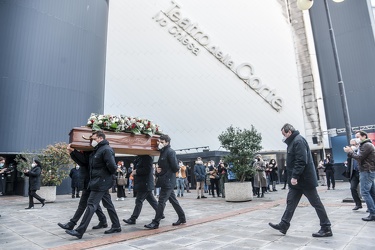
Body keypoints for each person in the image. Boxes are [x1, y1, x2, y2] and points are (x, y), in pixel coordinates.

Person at [269, 123, 332, 237]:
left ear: (289, 132)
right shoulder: (294, 141)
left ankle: (326, 227)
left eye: (284, 134)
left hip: (304, 180)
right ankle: (284, 224)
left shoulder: (298, 141)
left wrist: (294, 176)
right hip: (298, 182)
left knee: (316, 203)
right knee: (291, 203)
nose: (283, 137)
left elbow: (301, 160)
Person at [65, 130, 121, 239]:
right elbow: (84, 162)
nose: (92, 141)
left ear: (101, 138)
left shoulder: (106, 150)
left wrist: (104, 177)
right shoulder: (97, 150)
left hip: (100, 183)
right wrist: (73, 152)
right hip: (96, 182)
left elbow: (113, 167)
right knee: (108, 205)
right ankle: (116, 225)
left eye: (94, 139)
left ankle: (79, 231)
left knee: (91, 205)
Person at [58, 144, 108, 232]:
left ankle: (72, 224)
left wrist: (74, 152)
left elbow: (84, 161)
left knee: (85, 205)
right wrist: (72, 153)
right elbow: (81, 162)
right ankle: (103, 221)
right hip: (88, 182)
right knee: (92, 204)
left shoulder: (91, 151)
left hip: (91, 182)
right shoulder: (87, 151)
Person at [144, 134, 186, 229]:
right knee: (173, 201)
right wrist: (158, 172)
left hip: (168, 180)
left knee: (161, 201)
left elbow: (175, 167)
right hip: (165, 180)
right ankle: (182, 218)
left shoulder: (170, 152)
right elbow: (161, 167)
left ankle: (156, 222)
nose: (160, 143)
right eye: (159, 142)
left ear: (167, 142)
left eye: (162, 142)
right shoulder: (163, 152)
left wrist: (163, 171)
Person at [344, 130, 375, 221]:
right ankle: (372, 211)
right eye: (356, 137)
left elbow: (359, 157)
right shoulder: (365, 145)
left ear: (364, 136)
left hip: (366, 171)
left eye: (358, 137)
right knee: (371, 192)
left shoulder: (366, 145)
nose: (356, 139)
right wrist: (351, 151)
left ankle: (372, 213)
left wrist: (349, 151)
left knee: (365, 192)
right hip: (367, 170)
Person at [123, 155, 159, 225]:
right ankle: (160, 213)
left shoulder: (147, 158)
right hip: (143, 183)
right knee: (152, 201)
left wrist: (136, 171)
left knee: (139, 201)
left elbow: (147, 170)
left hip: (145, 184)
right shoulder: (139, 158)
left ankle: (133, 218)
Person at [347, 138, 362, 210]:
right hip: (354, 172)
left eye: (353, 144)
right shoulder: (351, 152)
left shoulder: (361, 150)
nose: (352, 146)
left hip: (362, 172)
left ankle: (370, 206)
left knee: (366, 190)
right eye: (351, 144)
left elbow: (359, 158)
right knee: (352, 188)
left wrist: (352, 152)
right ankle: (358, 204)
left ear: (358, 144)